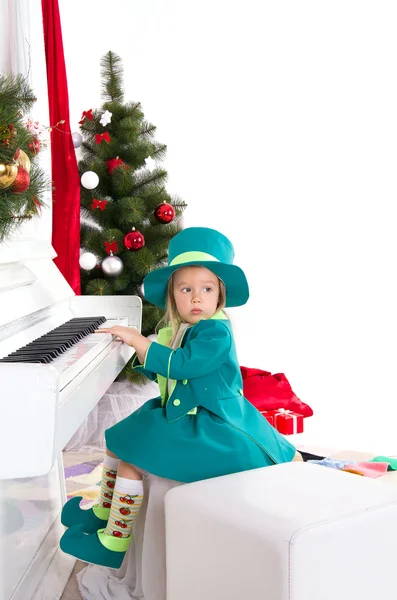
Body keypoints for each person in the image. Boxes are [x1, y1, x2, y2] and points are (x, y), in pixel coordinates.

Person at [60, 226, 300, 572]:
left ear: (220, 296)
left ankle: (114, 541)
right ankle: (100, 513)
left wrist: (138, 341)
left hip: (212, 422)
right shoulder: (183, 329)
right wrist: (142, 347)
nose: (197, 298)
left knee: (131, 459)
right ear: (173, 296)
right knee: (116, 439)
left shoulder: (216, 331)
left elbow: (184, 366)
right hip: (184, 411)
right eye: (186, 289)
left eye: (207, 289)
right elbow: (169, 375)